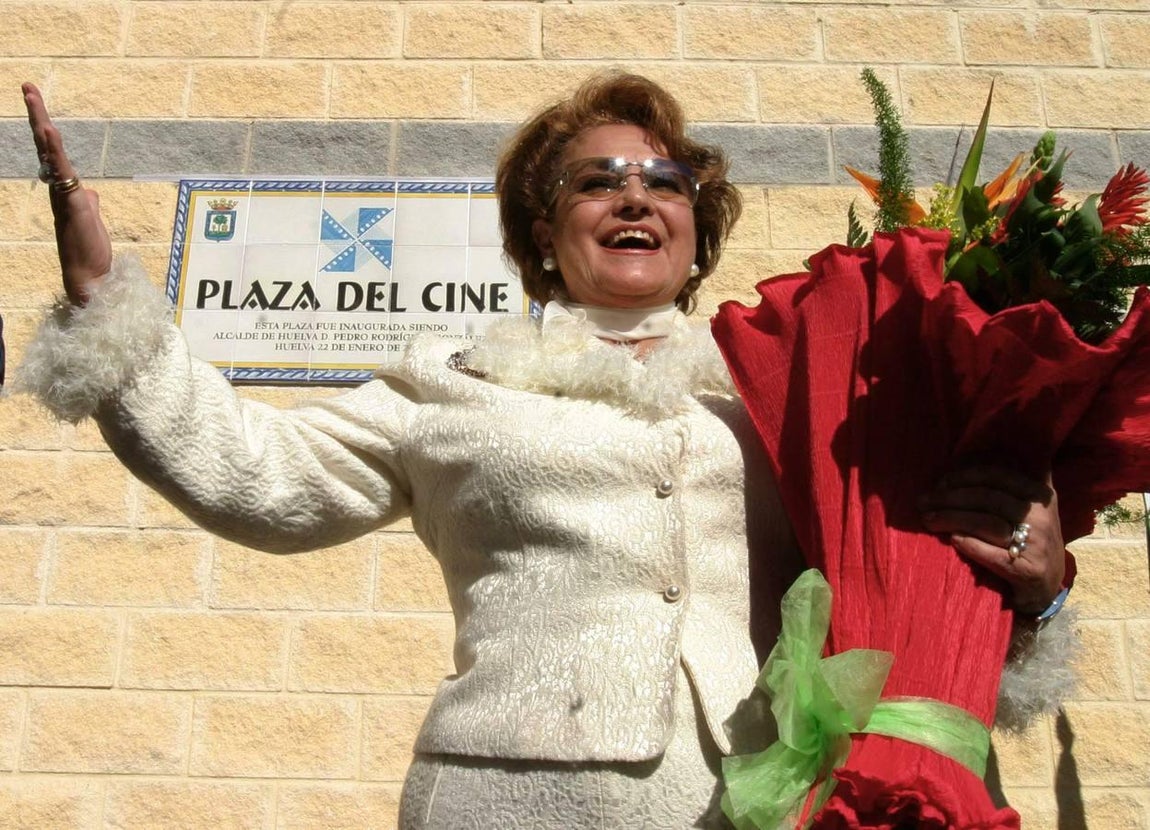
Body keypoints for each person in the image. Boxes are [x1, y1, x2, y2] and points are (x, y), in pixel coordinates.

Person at [18, 73, 1068, 829]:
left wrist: (1036, 587)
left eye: (665, 180)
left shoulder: (790, 388)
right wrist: (104, 304)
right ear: (542, 226)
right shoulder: (451, 376)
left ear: (695, 228)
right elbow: (259, 478)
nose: (635, 195)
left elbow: (904, 580)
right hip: (502, 791)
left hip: (748, 796)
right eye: (595, 179)